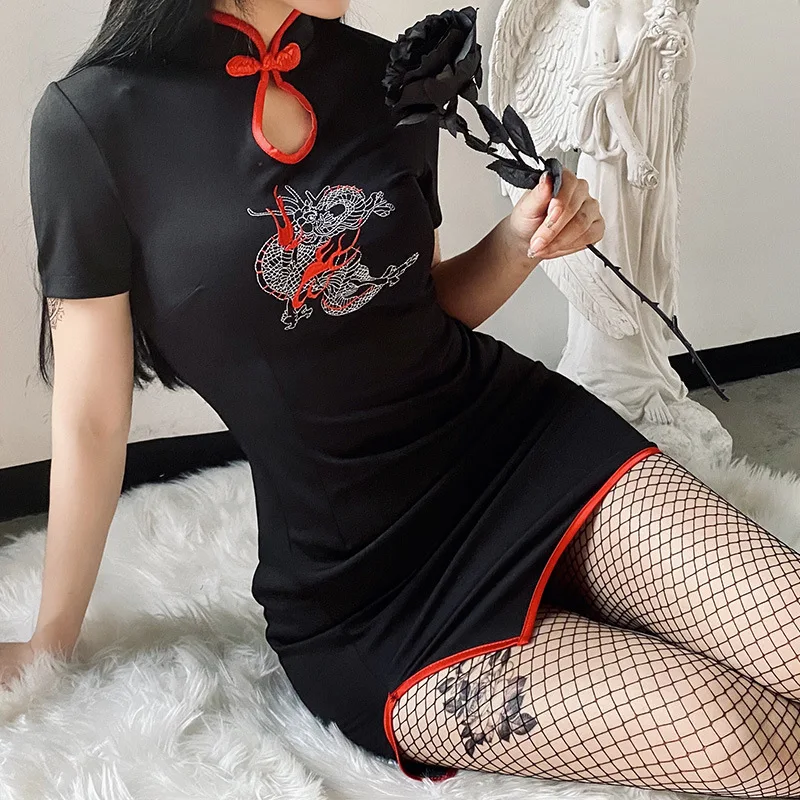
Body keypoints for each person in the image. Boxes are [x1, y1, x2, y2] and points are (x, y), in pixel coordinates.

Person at [3, 1, 799, 796]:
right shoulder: (91, 124)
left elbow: (416, 311)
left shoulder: (384, 75)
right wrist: (50, 638)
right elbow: (91, 419)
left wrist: (521, 242)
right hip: (373, 599)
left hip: (525, 452)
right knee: (747, 740)